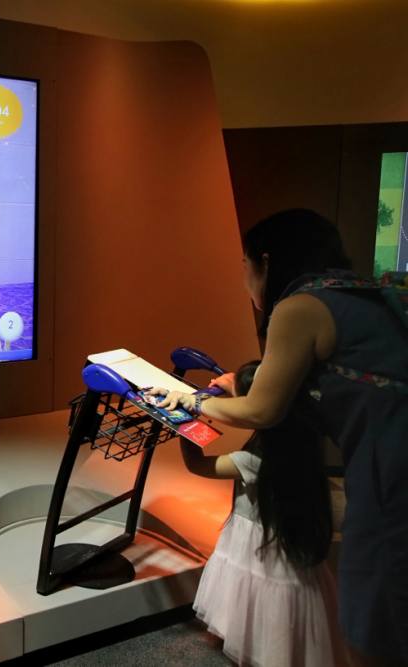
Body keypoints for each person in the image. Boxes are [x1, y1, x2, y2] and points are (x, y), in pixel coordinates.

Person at [148, 209, 408, 664]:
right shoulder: (357, 294)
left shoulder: (299, 306)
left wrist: (190, 402)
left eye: (245, 267)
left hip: (389, 472)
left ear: (265, 261)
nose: (245, 281)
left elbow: (263, 408)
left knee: (377, 622)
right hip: (386, 457)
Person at [183, 361, 346, 666]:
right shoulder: (301, 439)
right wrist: (236, 388)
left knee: (262, 604)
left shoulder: (252, 461)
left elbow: (198, 466)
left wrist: (181, 423)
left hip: (256, 546)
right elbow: (265, 405)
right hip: (283, 542)